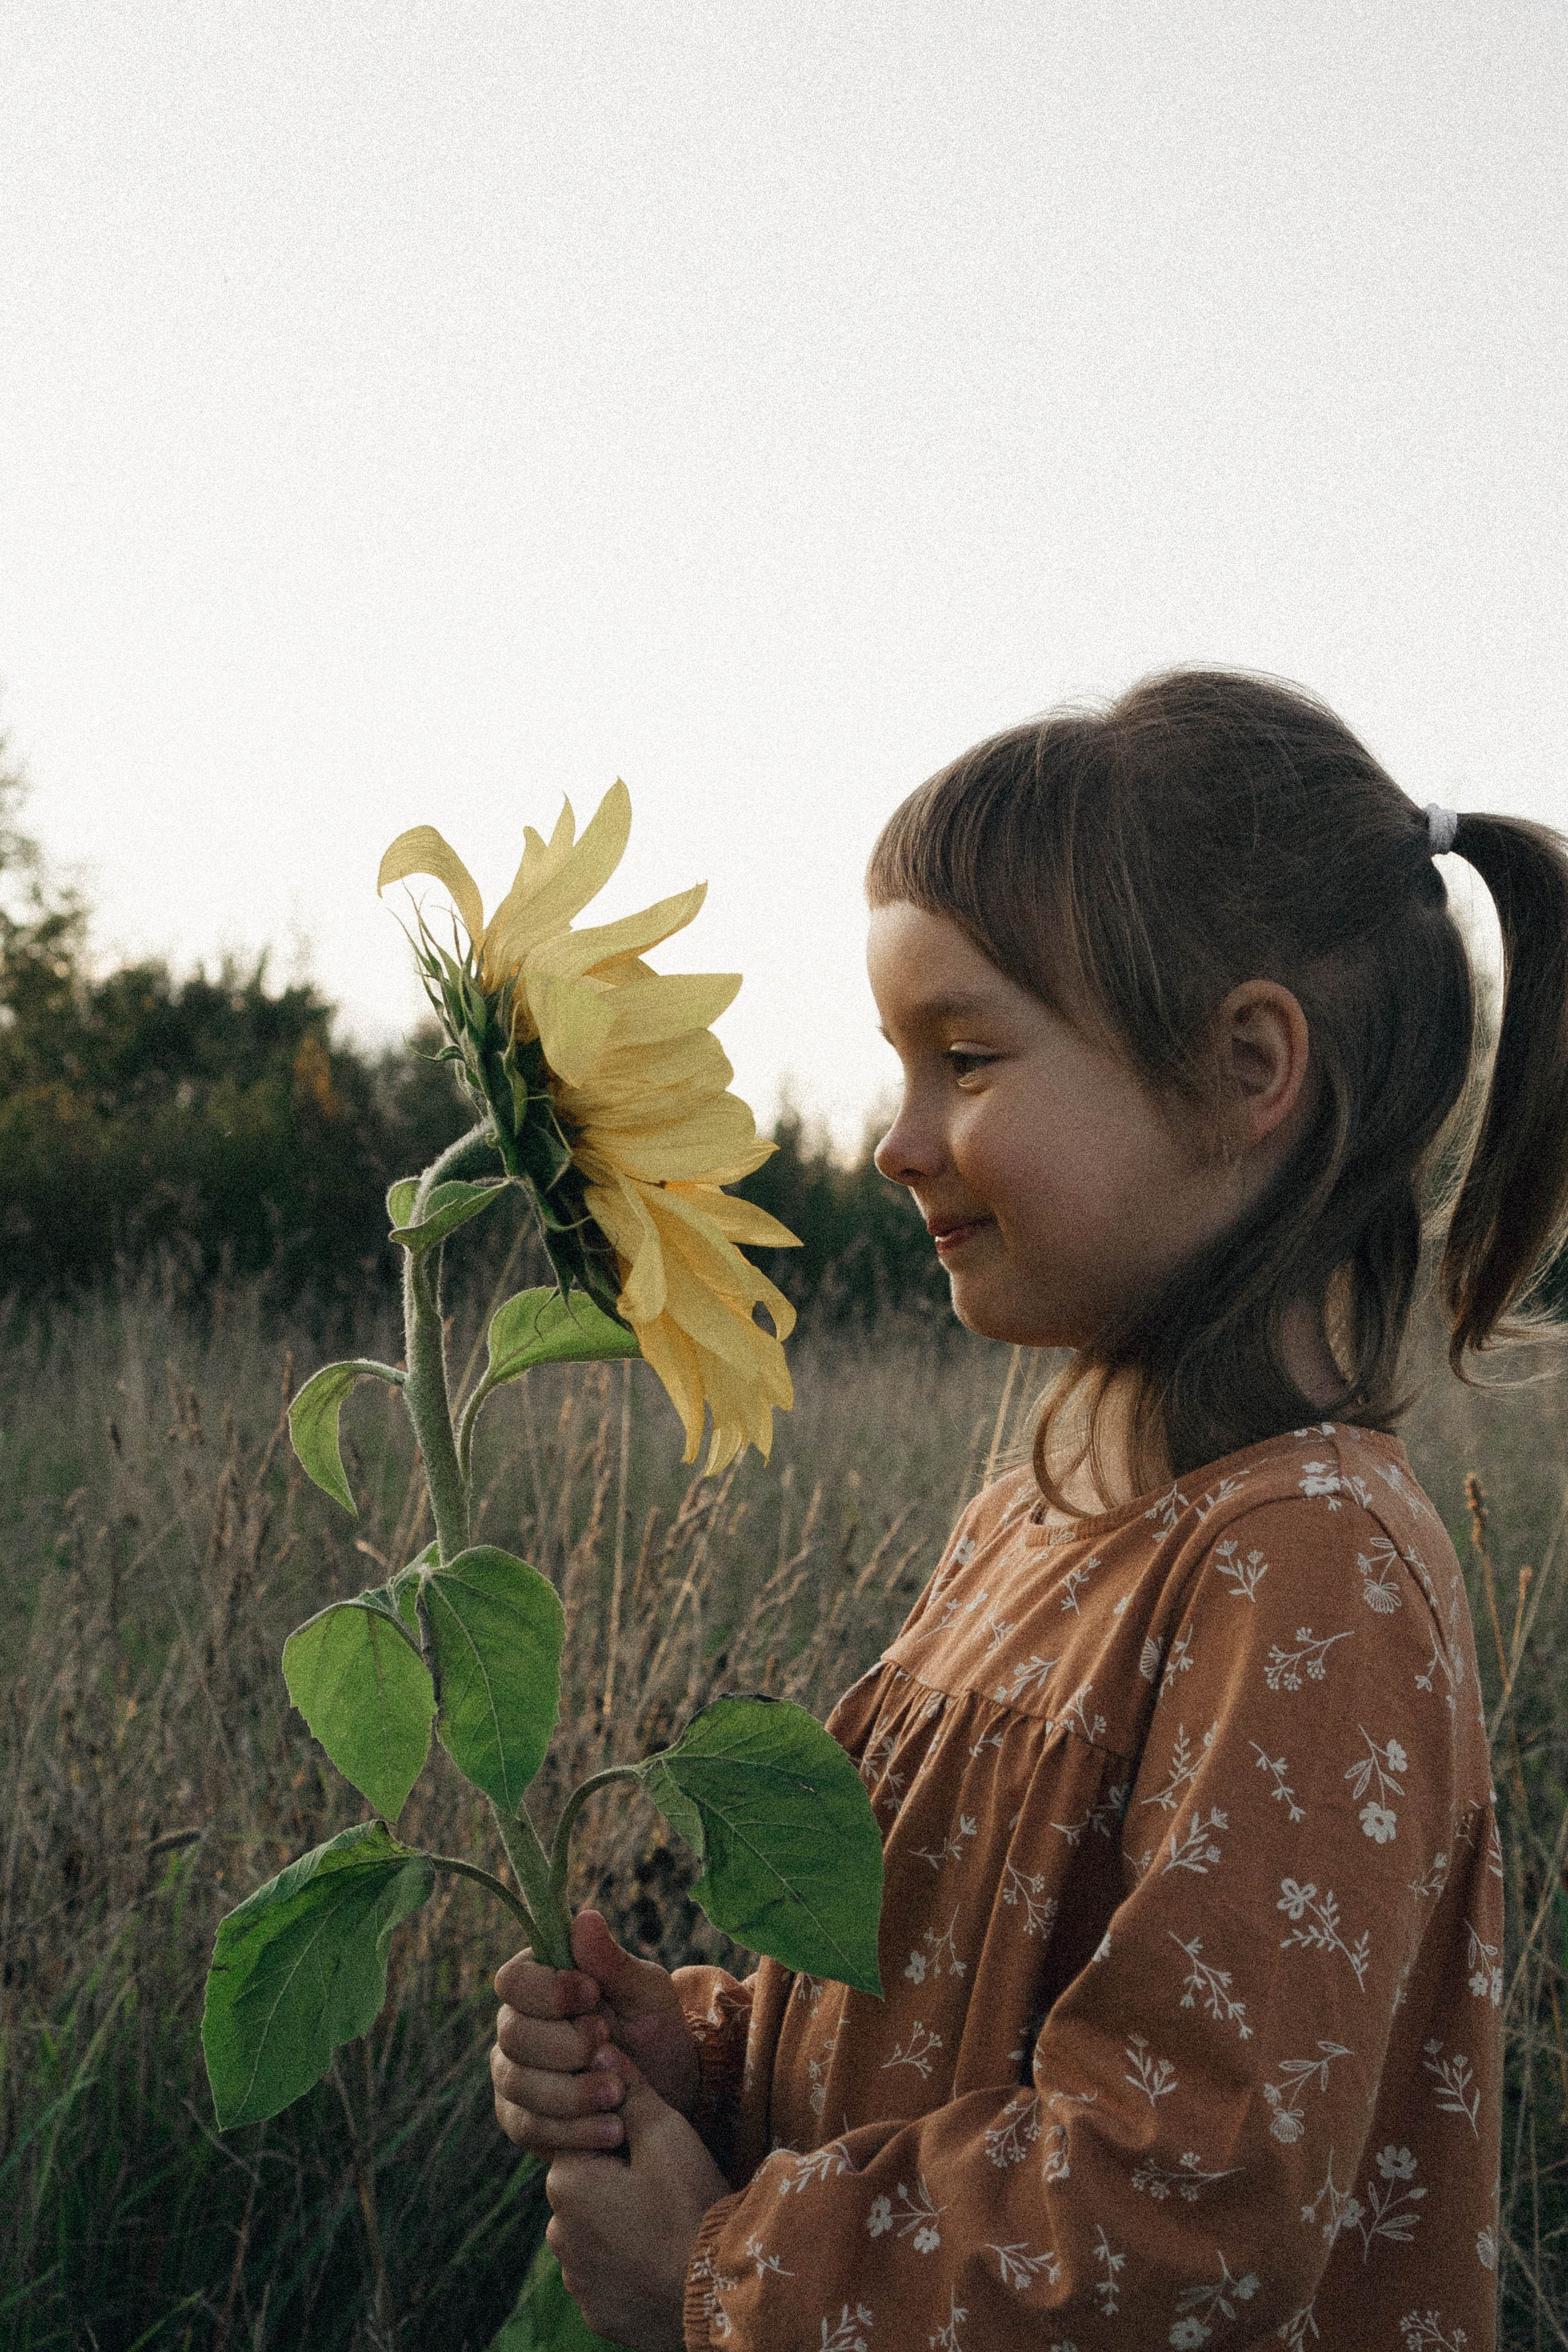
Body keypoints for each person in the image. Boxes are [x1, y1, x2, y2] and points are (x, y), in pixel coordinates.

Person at [491, 671, 1567, 2351]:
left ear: (1246, 1069)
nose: (897, 1141)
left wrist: (727, 2274)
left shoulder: (1309, 1570)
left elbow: (1182, 2201)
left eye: (966, 1057)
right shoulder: (1033, 1524)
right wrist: (699, 2048)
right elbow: (931, 2010)